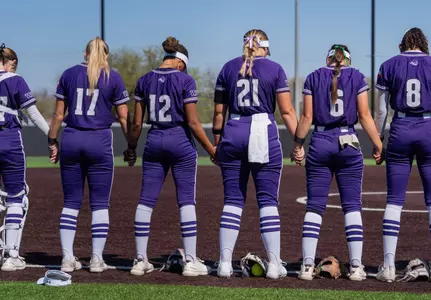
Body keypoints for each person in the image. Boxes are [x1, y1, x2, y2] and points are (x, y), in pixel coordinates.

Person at [125, 37, 216, 276]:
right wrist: (211, 149)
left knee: (146, 201)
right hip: (180, 140)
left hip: (154, 140)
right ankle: (190, 261)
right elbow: (194, 122)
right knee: (186, 200)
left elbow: (136, 123)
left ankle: (140, 259)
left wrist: (132, 148)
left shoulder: (144, 80)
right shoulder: (185, 80)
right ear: (181, 63)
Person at [212, 29, 298, 279]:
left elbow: (219, 113)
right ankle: (273, 264)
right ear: (265, 47)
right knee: (268, 200)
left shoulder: (227, 68)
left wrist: (217, 144)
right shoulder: (274, 69)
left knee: (232, 201)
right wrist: (299, 142)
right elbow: (287, 112)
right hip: (262, 131)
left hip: (233, 130)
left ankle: (224, 263)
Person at [292, 44, 382, 281]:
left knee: (314, 207)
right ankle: (355, 267)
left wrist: (298, 146)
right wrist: (378, 143)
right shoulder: (356, 76)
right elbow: (364, 116)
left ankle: (307, 267)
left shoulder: (313, 77)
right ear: (348, 61)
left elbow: (307, 118)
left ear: (327, 59)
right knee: (352, 206)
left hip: (320, 140)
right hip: (348, 141)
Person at [375, 28, 431, 283]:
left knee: (394, 201)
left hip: (400, 129)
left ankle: (388, 266)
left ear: (403, 45)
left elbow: (381, 110)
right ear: (424, 44)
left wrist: (378, 140)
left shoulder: (389, 65)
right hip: (428, 129)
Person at [48, 37, 130, 273]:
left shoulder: (68, 75)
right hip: (100, 141)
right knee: (100, 203)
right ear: (106, 55)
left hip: (72, 138)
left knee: (71, 202)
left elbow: (58, 115)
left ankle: (67, 258)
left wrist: (52, 141)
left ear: (85, 54)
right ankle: (96, 259)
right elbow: (124, 117)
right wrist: (131, 144)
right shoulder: (112, 76)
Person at [0, 44, 50, 271]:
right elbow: (33, 113)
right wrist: (53, 136)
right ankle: (11, 255)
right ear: (11, 63)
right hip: (9, 141)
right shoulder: (15, 80)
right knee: (16, 197)